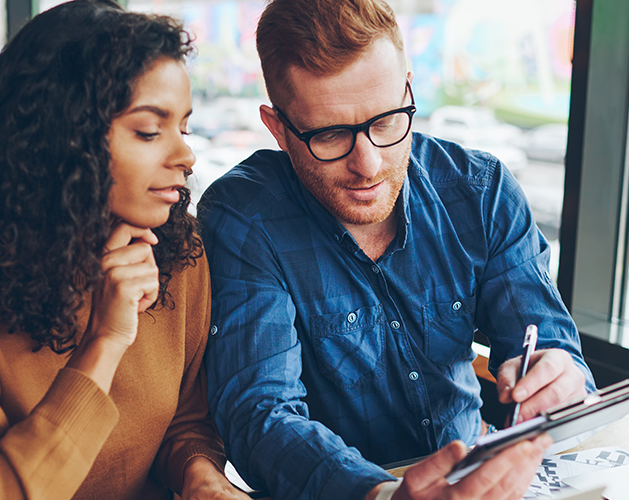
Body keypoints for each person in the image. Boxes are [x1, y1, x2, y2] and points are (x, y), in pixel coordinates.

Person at [197, 0, 596, 499]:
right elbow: (258, 417)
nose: (368, 164)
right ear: (278, 128)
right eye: (331, 134)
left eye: (386, 121)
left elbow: (553, 347)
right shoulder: (245, 218)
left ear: (408, 88)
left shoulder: (480, 190)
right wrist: (385, 495)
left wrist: (561, 379)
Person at [0, 2, 250, 499]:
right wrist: (104, 341)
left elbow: (185, 421)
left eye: (181, 127)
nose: (185, 155)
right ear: (62, 139)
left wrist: (200, 476)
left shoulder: (178, 253)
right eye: (149, 130)